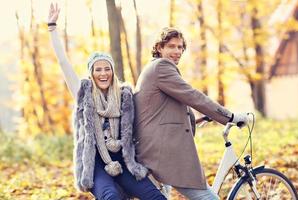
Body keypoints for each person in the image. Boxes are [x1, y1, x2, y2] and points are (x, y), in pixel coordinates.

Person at [48, 3, 167, 200]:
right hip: (95, 164)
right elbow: (63, 63)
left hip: (124, 161)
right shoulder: (83, 93)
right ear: (92, 73)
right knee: (110, 196)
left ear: (112, 71)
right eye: (98, 69)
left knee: (155, 197)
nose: (103, 73)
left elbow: (147, 115)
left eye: (107, 69)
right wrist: (52, 27)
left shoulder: (125, 96)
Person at [133, 27, 250, 200]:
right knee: (205, 196)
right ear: (159, 48)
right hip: (161, 152)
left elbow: (160, 112)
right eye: (172, 46)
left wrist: (196, 119)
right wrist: (229, 117)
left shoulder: (155, 68)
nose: (177, 51)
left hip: (154, 147)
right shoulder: (161, 67)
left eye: (180, 47)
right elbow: (192, 96)